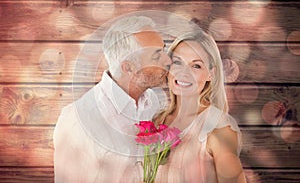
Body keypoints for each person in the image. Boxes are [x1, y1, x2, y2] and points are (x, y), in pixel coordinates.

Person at [53, 15, 171, 182]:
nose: (168, 60)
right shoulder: (78, 119)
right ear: (128, 68)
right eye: (156, 56)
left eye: (164, 50)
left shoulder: (153, 101)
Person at [153, 30, 247, 182]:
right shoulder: (157, 121)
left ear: (211, 74)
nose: (184, 72)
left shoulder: (219, 128)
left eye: (196, 66)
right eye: (178, 62)